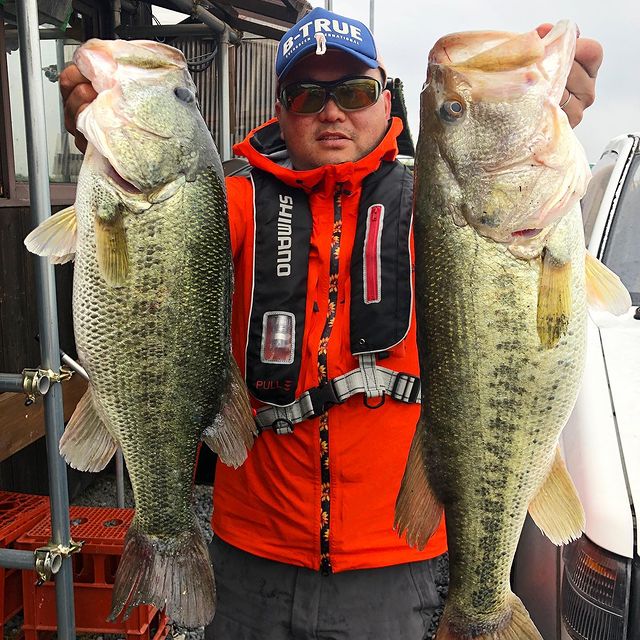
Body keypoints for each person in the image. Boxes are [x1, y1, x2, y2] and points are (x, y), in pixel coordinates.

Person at [60, 8, 603, 639]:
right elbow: (150, 246)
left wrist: (530, 116)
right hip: (250, 556)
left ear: (386, 98)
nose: (332, 113)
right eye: (306, 95)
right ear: (281, 109)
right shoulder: (223, 204)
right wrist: (108, 133)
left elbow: (508, 199)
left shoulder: (445, 203)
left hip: (395, 562)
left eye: (354, 91)